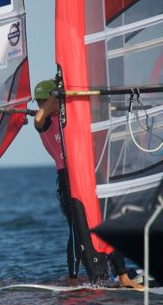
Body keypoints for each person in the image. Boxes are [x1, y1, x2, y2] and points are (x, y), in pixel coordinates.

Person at [33, 79, 142, 290]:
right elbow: (38, 118)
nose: (39, 105)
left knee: (107, 220)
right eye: (37, 101)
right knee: (76, 229)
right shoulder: (46, 123)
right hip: (67, 177)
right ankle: (73, 280)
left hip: (89, 172)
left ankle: (123, 276)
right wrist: (53, 99)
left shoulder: (66, 117)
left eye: (41, 101)